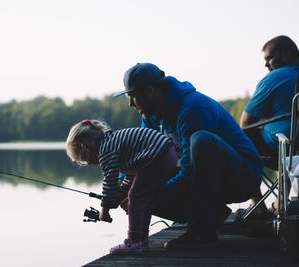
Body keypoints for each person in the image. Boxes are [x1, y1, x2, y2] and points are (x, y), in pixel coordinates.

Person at [113, 62, 264, 249]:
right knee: (139, 188)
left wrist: (151, 196)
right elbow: (142, 160)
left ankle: (201, 232)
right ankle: (213, 215)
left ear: (150, 91)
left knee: (201, 140)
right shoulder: (150, 114)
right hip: (209, 178)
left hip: (244, 177)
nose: (130, 104)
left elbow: (191, 171)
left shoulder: (193, 107)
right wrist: (122, 187)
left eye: (132, 96)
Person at [66, 119, 178, 254]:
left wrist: (105, 210)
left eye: (85, 158)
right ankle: (141, 240)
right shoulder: (114, 142)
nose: (88, 163)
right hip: (166, 154)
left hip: (158, 155)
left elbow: (110, 181)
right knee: (143, 199)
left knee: (136, 197)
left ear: (87, 147)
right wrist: (121, 192)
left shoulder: (106, 150)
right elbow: (132, 173)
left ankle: (134, 242)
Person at [239, 35, 299, 217]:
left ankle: (258, 207)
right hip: (294, 152)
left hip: (283, 149)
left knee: (240, 137)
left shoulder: (275, 78)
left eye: (269, 58)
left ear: (288, 55)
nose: (266, 65)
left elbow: (246, 123)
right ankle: (281, 199)